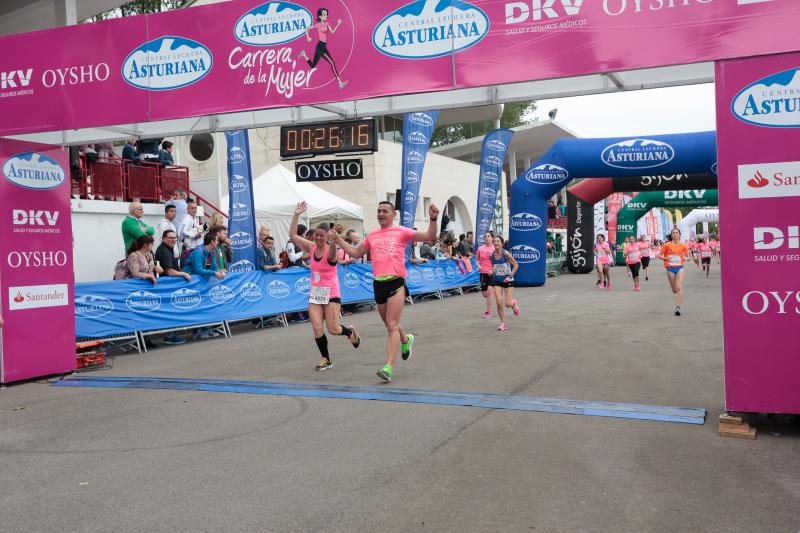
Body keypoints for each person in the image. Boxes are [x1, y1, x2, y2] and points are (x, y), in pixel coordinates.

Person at [335, 200, 440, 383]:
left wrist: (433, 218)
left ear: (394, 214)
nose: (381, 214)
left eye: (385, 211)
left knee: (391, 324)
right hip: (378, 284)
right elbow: (355, 253)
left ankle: (388, 367)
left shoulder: (402, 231)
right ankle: (405, 340)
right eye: (378, 211)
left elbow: (429, 235)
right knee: (390, 324)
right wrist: (338, 240)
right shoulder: (372, 235)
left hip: (396, 283)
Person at [290, 202, 361, 370]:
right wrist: (296, 214)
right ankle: (326, 359)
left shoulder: (331, 251)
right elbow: (293, 235)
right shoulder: (311, 247)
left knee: (333, 329)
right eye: (316, 235)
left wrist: (334, 241)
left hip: (331, 293)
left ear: (326, 237)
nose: (318, 238)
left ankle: (349, 332)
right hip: (316, 293)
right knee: (316, 326)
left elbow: (332, 254)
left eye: (322, 236)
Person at [154, 230, 191, 346]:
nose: (173, 240)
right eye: (170, 238)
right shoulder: (163, 250)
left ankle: (170, 335)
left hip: (169, 287)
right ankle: (169, 336)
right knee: (170, 311)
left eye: (175, 238)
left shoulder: (168, 249)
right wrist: (184, 274)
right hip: (166, 288)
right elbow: (169, 271)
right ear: (164, 239)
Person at [297, 8, 349, 89]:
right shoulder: (317, 25)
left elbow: (332, 32)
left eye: (326, 14)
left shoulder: (327, 23)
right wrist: (308, 37)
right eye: (324, 14)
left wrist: (338, 23)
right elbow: (306, 28)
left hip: (323, 46)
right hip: (320, 47)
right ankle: (340, 83)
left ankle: (304, 54)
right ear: (320, 16)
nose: (326, 16)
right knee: (332, 63)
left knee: (313, 66)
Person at [489, 236, 521, 331]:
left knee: (507, 303)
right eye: (494, 241)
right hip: (497, 281)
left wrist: (510, 276)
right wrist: (491, 271)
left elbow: (516, 265)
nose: (496, 243)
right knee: (499, 302)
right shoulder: (492, 255)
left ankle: (513, 304)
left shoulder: (506, 254)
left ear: (501, 244)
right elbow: (494, 267)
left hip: (508, 280)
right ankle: (503, 323)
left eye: (498, 241)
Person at [658, 228, 691, 317]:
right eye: (673, 233)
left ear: (679, 235)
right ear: (671, 235)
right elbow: (660, 255)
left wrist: (685, 258)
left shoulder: (683, 246)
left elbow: (688, 257)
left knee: (679, 287)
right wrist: (665, 258)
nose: (675, 234)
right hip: (670, 268)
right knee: (674, 290)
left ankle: (678, 307)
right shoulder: (667, 245)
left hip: (680, 267)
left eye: (677, 233)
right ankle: (675, 292)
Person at [475, 232, 496, 319]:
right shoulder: (480, 248)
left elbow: (497, 261)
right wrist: (479, 266)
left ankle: (488, 312)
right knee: (485, 294)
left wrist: (493, 270)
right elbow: (476, 259)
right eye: (485, 236)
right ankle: (491, 293)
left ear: (492, 238)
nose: (486, 238)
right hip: (483, 273)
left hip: (492, 273)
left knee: (489, 291)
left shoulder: (495, 248)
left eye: (488, 236)